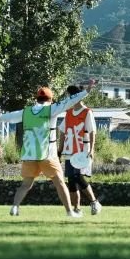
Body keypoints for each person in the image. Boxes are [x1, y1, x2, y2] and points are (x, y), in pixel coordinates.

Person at [0, 80, 96, 218]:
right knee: (59, 183)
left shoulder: (26, 111)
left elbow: (11, 117)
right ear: (50, 99)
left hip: (29, 155)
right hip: (47, 155)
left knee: (25, 184)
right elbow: (69, 101)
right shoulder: (51, 109)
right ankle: (70, 212)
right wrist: (86, 91)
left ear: (37, 99)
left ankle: (15, 207)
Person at [57, 84, 102, 215]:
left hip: (82, 151)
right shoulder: (69, 113)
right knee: (71, 181)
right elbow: (62, 132)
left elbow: (93, 132)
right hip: (69, 152)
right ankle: (77, 209)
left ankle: (94, 202)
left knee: (78, 176)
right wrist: (59, 150)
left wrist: (92, 149)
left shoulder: (87, 112)